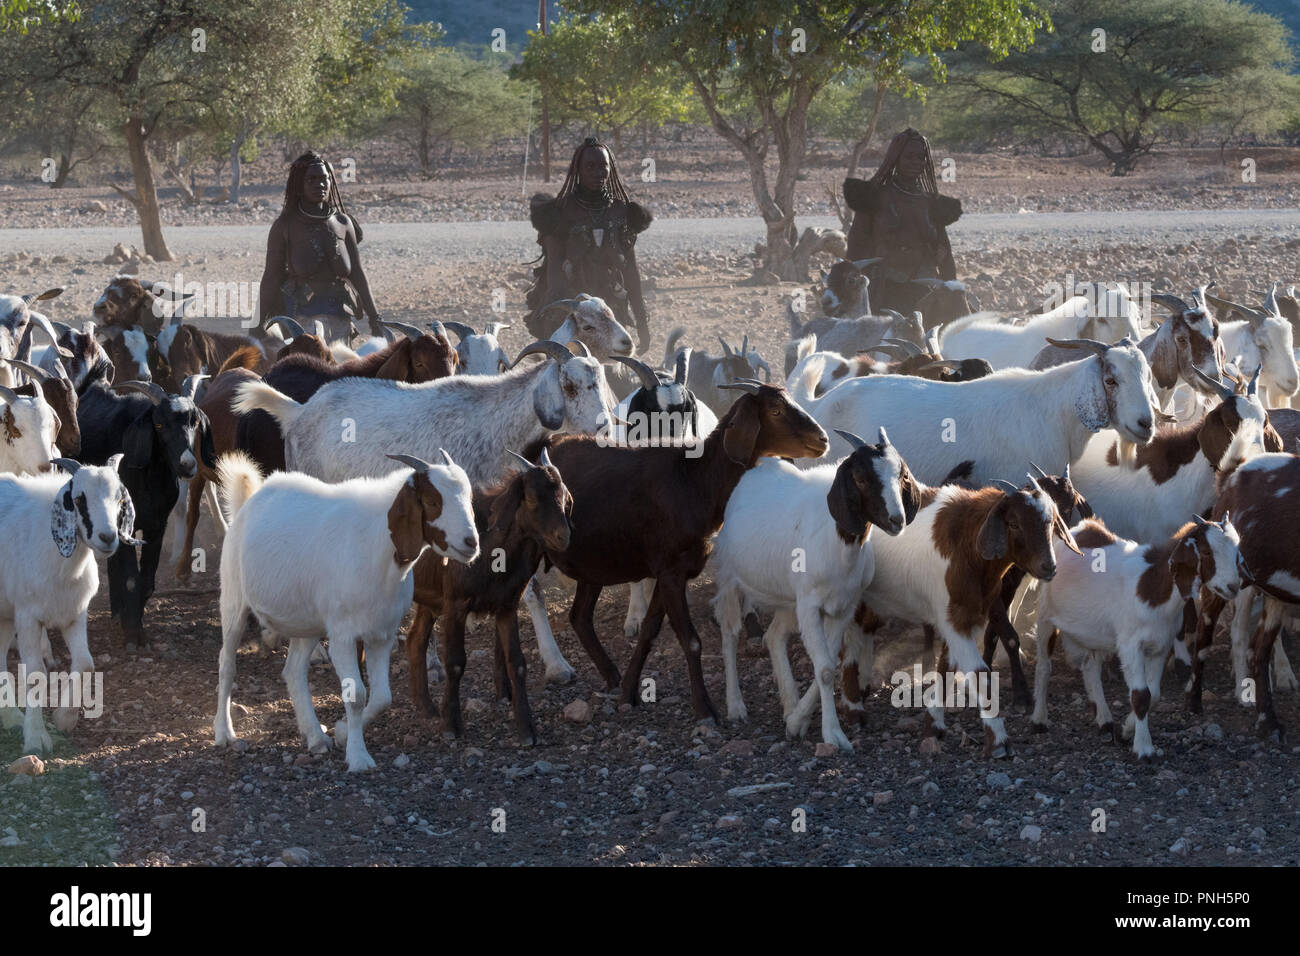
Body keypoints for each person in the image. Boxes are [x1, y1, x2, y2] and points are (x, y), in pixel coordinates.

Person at [525, 137, 653, 352]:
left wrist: (641, 321)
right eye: (590, 166)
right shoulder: (560, 213)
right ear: (579, 170)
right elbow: (554, 270)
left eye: (603, 166)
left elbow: (630, 269)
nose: (598, 172)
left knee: (616, 373)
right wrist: (554, 320)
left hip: (611, 306)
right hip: (573, 308)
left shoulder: (622, 211)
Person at [843, 128, 973, 325]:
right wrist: (850, 290)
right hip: (884, 289)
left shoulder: (931, 203)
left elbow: (945, 253)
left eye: (921, 157)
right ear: (896, 158)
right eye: (909, 156)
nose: (916, 162)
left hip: (926, 290)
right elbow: (855, 247)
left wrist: (953, 292)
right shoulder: (874, 196)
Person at [258, 151, 381, 341]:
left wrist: (375, 318)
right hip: (300, 322)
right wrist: (257, 325)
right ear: (299, 185)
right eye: (312, 179)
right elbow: (271, 277)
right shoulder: (285, 226)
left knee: (342, 368)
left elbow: (357, 272)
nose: (320, 184)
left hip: (340, 320)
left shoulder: (343, 223)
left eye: (324, 178)